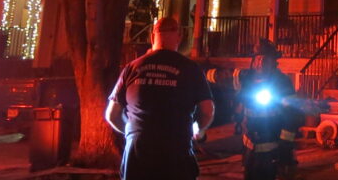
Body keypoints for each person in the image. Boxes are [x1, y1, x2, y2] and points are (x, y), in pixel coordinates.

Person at [105, 15, 215, 180]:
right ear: (179, 37)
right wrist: (198, 129)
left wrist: (133, 132)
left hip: (137, 153)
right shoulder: (191, 69)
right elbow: (207, 110)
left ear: (152, 37)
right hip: (176, 152)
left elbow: (112, 115)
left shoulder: (132, 68)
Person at [239, 39, 301, 180]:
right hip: (250, 148)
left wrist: (285, 146)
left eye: (265, 59)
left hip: (272, 149)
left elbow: (292, 116)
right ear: (253, 61)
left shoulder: (282, 83)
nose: (260, 63)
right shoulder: (247, 79)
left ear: (273, 62)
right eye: (258, 59)